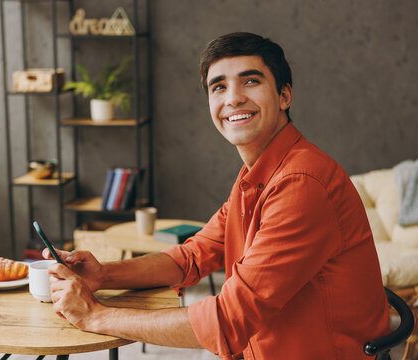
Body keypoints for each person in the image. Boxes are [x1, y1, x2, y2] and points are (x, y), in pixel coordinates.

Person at [44, 32, 390, 360]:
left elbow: (228, 321)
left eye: (250, 81)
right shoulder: (257, 176)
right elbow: (192, 256)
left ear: (285, 95)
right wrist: (102, 275)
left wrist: (95, 316)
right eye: (219, 87)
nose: (233, 98)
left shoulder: (301, 183)